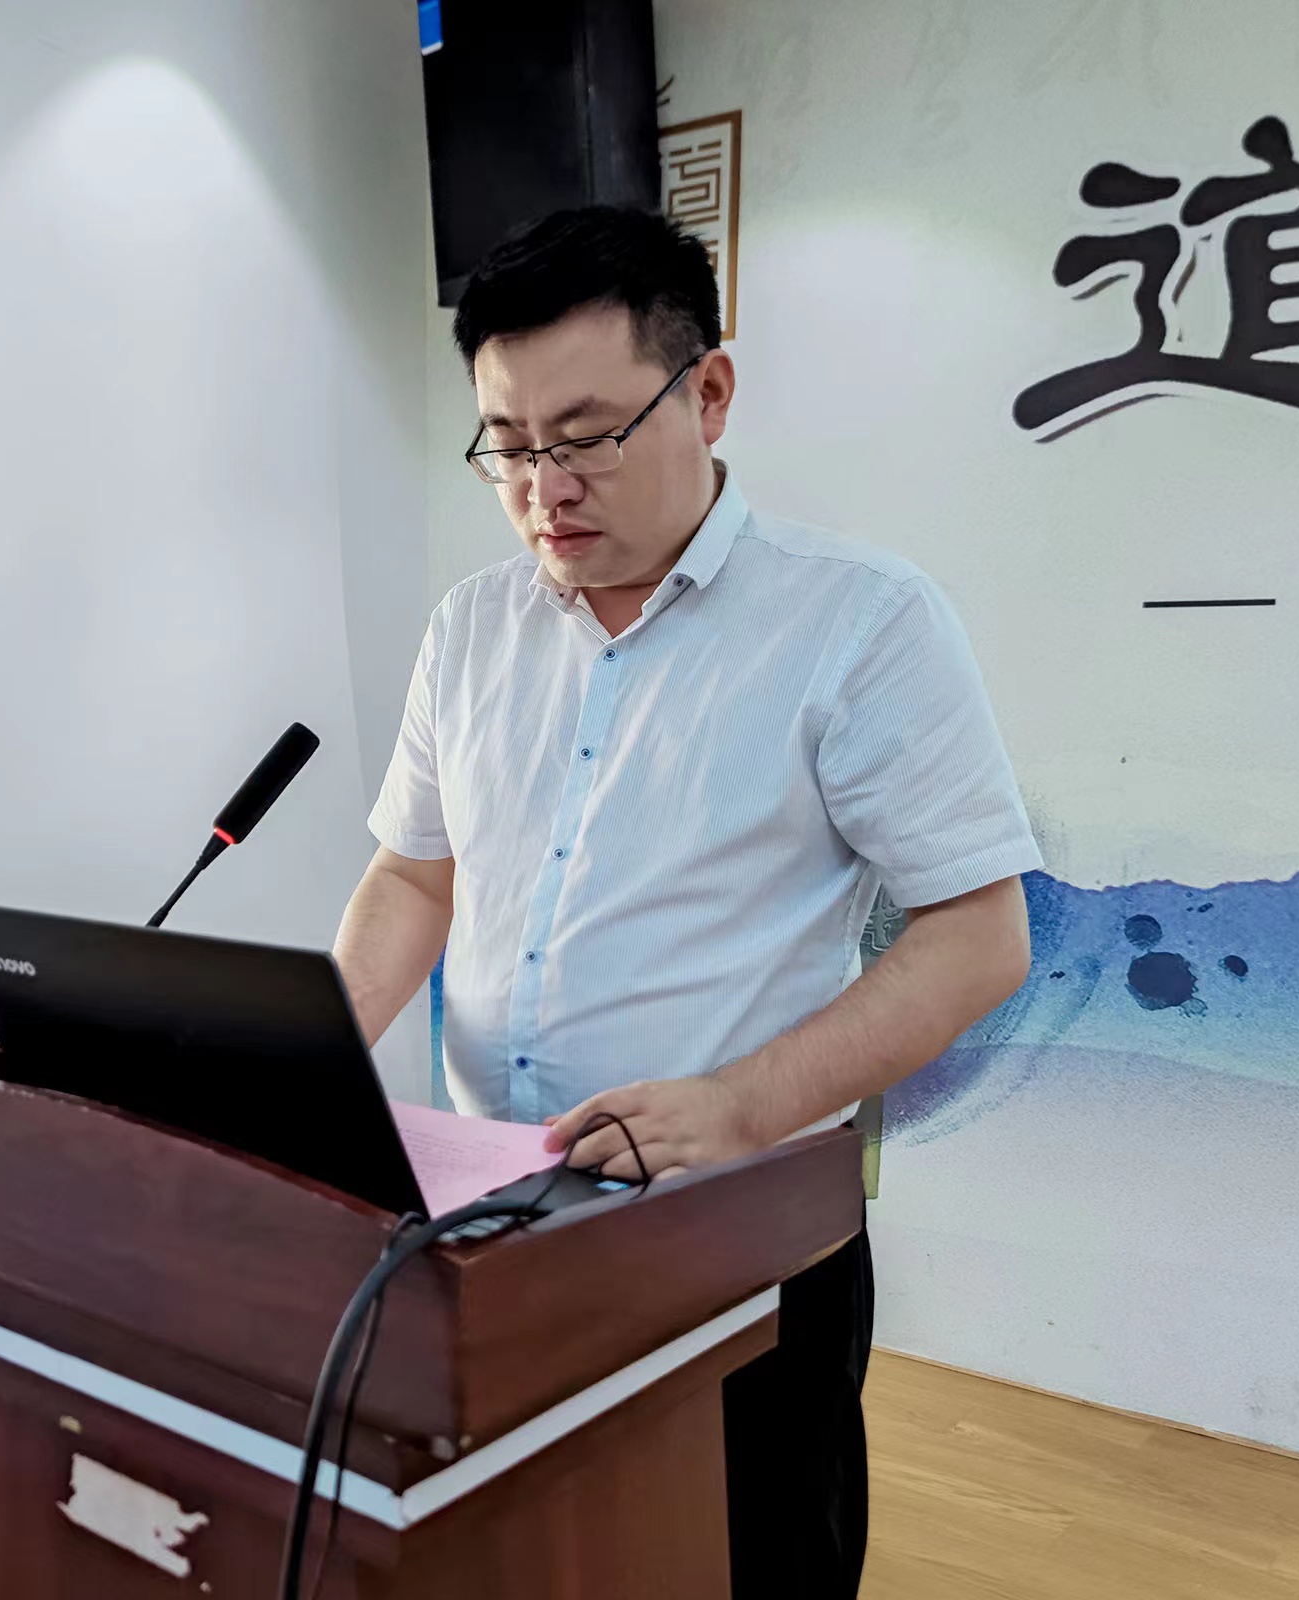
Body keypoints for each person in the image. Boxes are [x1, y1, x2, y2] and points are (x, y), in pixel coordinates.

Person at [332, 206, 1040, 1598]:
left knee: (747, 1563)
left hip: (737, 1232)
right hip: (494, 1218)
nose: (544, 489)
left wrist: (738, 1106)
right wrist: (310, 1050)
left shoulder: (860, 621)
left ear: (708, 393)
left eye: (587, 435)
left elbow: (978, 936)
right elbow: (416, 873)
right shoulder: (470, 629)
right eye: (508, 445)